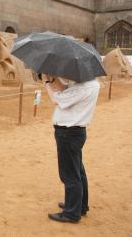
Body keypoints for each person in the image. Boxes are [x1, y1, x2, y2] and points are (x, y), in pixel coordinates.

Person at [41, 74, 100, 223]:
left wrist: (47, 82)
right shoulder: (89, 83)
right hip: (74, 132)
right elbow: (67, 89)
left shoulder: (84, 87)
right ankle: (79, 205)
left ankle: (72, 213)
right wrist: (54, 78)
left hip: (68, 133)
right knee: (78, 171)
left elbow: (56, 99)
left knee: (70, 174)